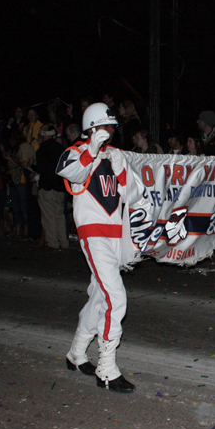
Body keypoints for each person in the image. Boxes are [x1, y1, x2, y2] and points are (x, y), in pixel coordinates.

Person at [57, 103, 136, 393]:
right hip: (93, 234)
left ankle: (76, 353)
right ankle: (107, 367)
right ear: (92, 127)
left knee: (100, 296)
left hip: (116, 236)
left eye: (113, 127)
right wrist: (92, 146)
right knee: (116, 296)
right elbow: (71, 173)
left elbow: (132, 193)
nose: (111, 132)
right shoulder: (77, 152)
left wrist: (123, 173)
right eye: (106, 126)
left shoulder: (114, 155)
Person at [34, 124, 69, 249]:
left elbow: (41, 168)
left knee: (49, 217)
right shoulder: (61, 149)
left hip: (47, 187)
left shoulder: (42, 150)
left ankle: (53, 243)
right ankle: (64, 242)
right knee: (59, 215)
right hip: (60, 187)